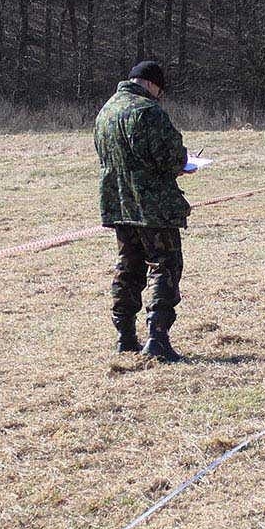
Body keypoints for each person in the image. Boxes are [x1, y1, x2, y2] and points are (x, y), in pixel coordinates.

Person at [94, 59, 194, 362]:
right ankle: (157, 338)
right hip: (154, 209)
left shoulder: (106, 111)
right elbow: (172, 157)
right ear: (152, 84)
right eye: (159, 90)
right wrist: (183, 164)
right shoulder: (148, 112)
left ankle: (125, 336)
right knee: (165, 265)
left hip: (120, 204)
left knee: (128, 266)